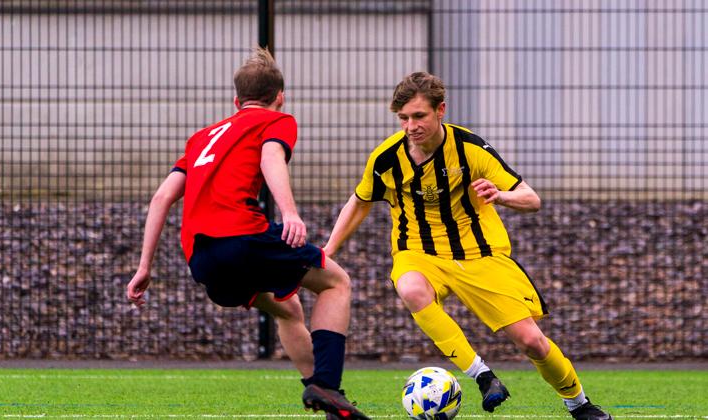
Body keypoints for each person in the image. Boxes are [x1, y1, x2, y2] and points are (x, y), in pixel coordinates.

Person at [323, 71, 612, 420]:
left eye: (419, 116)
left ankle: (578, 404)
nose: (410, 126)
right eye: (403, 118)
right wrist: (329, 251)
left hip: (481, 255)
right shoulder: (386, 158)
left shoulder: (469, 148)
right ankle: (483, 376)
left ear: (440, 109)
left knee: (532, 342)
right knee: (411, 288)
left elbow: (531, 198)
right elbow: (359, 201)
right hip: (418, 252)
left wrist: (500, 195)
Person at [126, 47, 369, 420]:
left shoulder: (201, 138)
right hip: (242, 238)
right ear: (280, 97)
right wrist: (290, 213)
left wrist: (144, 267)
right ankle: (329, 387)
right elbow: (271, 157)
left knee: (287, 308)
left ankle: (323, 398)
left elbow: (161, 198)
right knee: (337, 283)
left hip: (202, 259)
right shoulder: (278, 121)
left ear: (236, 100)